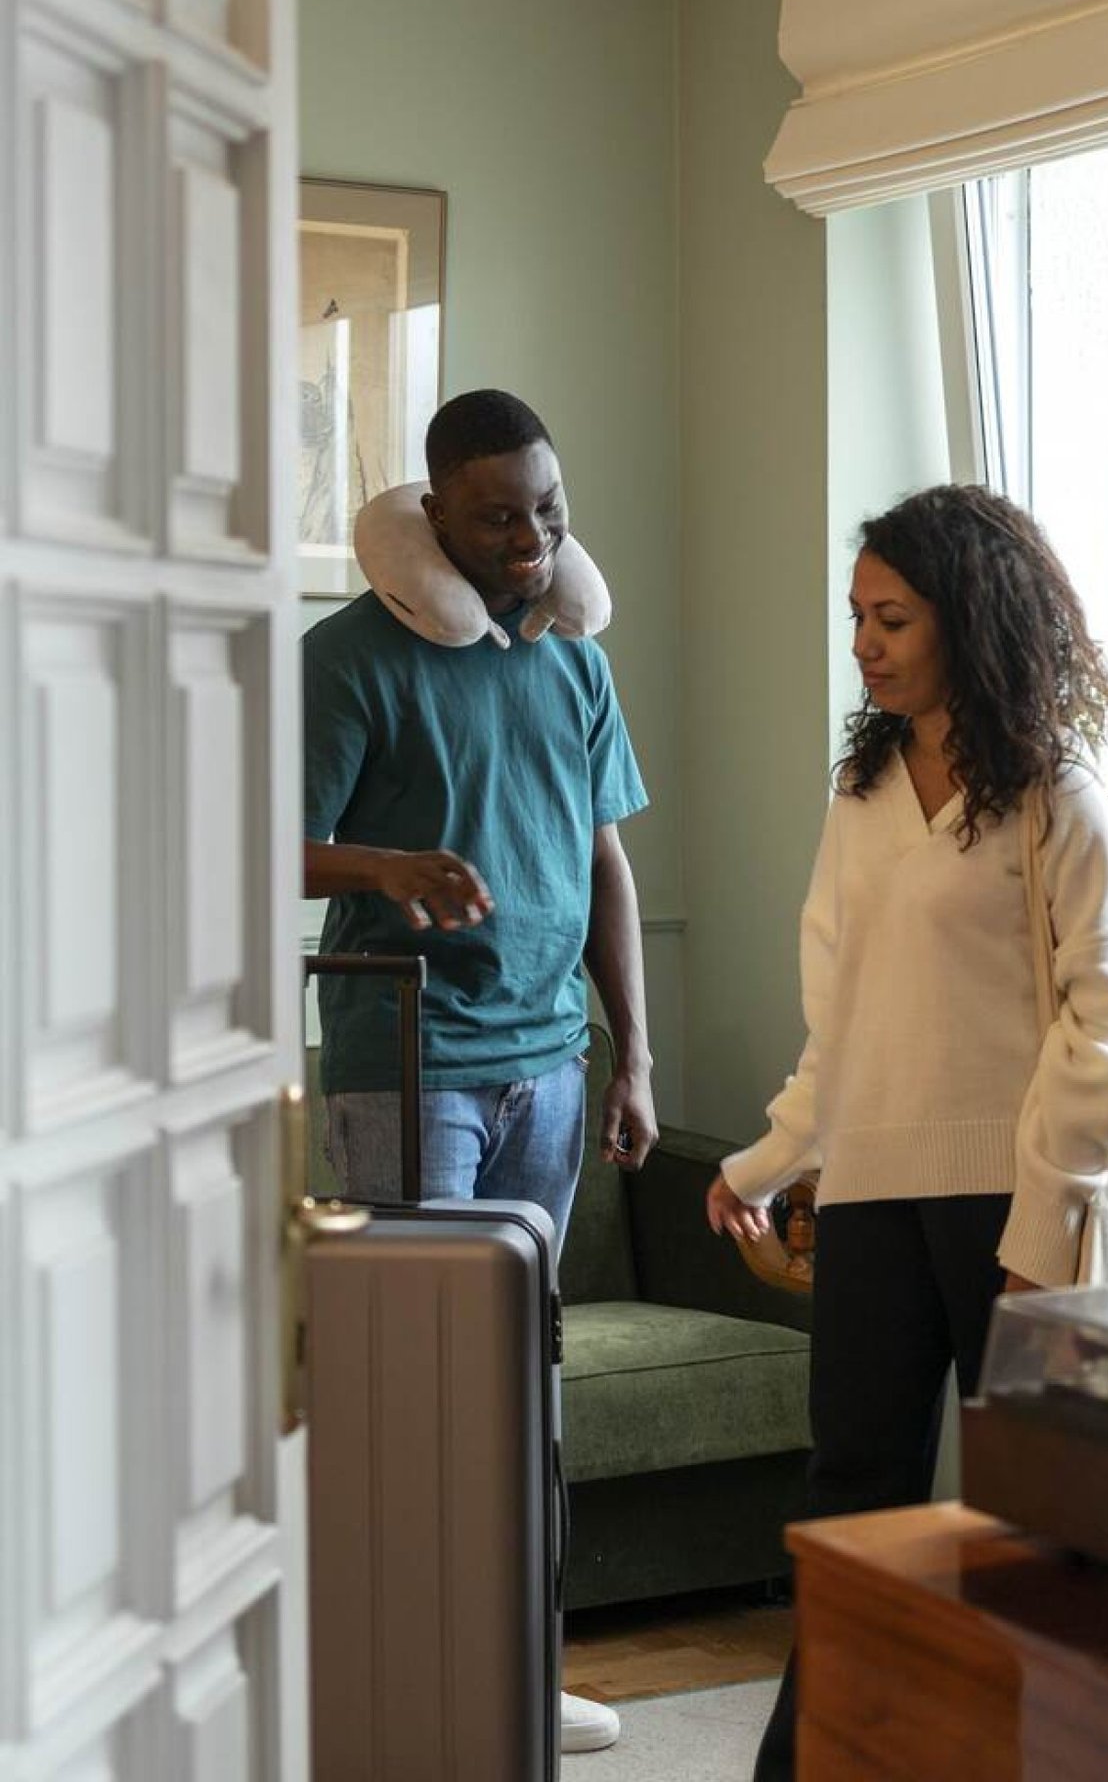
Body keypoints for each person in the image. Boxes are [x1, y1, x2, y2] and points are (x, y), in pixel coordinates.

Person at [706, 483, 1108, 1782]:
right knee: (851, 1499)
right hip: (872, 1194)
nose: (865, 642)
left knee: (1038, 1529)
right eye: (856, 616)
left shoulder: (1058, 796)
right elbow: (844, 1013)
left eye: (893, 618)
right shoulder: (860, 793)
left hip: (1014, 1206)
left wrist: (1043, 1222)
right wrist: (772, 1162)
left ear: (967, 617)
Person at [304, 387, 658, 1756]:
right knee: (415, 1391)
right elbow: (257, 842)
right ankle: (401, 1688)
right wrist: (382, 865)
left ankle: (514, 1673)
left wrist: (633, 1057)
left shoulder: (574, 663)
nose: (530, 540)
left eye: (549, 511)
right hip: (407, 1068)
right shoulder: (348, 659)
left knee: (519, 1387)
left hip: (549, 1072)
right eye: (498, 516)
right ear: (434, 513)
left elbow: (607, 862)